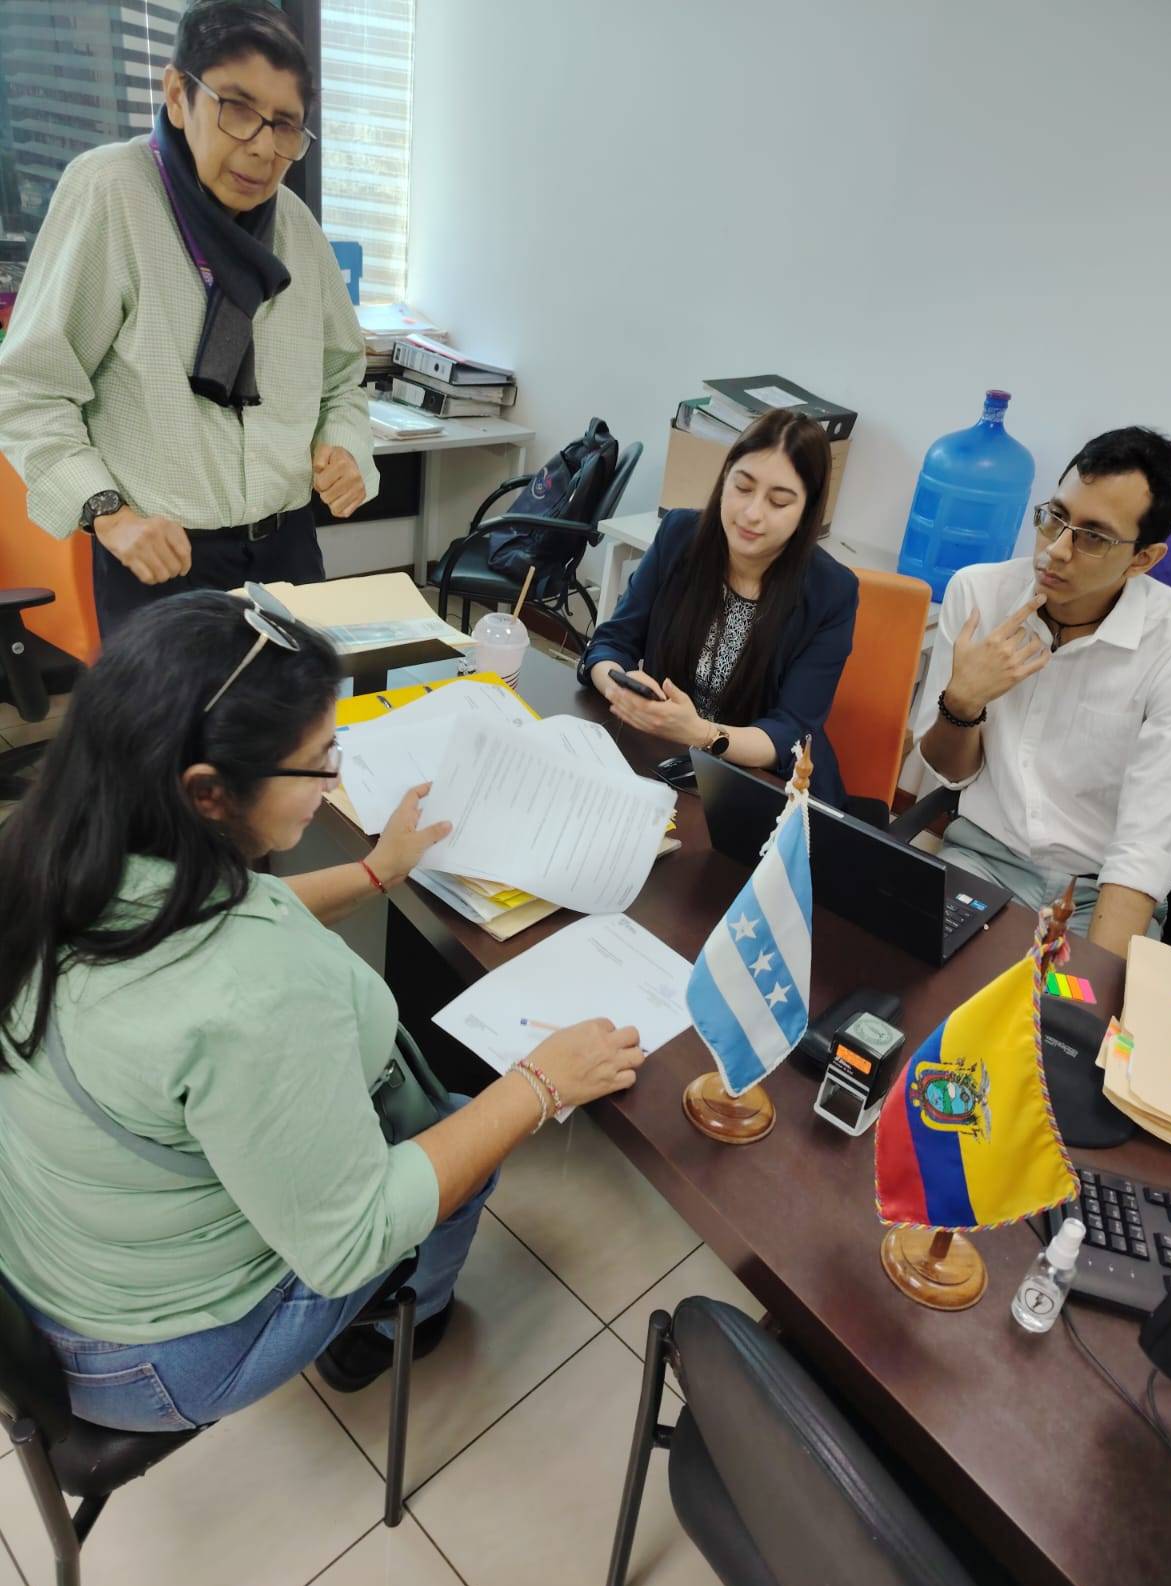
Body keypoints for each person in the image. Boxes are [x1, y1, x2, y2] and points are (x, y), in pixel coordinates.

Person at [0, 592, 644, 1429]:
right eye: (315, 762)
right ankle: (407, 1322)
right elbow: (351, 1238)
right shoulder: (251, 992)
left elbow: (209, 917)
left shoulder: (54, 851)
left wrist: (377, 873)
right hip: (156, 1354)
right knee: (465, 1132)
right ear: (208, 792)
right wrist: (538, 1085)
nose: (334, 778)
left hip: (59, 1262)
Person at [0, 1, 377, 638]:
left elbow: (342, 379)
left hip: (288, 550)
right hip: (165, 560)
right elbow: (29, 388)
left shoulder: (295, 225)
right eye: (238, 109)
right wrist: (108, 513)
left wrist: (343, 445)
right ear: (179, 95)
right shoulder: (113, 192)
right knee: (177, 711)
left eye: (285, 125)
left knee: (300, 704)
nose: (263, 148)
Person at [915, 425, 1171, 959]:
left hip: (1097, 895)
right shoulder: (979, 594)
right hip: (980, 860)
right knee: (902, 980)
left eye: (1093, 537)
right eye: (1055, 517)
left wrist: (1086, 987)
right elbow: (951, 773)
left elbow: (1146, 849)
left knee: (1068, 1010)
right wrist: (961, 704)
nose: (1056, 550)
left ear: (1143, 559)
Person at [579, 409, 859, 804]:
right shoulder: (679, 535)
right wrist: (619, 687)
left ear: (806, 511)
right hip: (663, 761)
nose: (752, 513)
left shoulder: (831, 592)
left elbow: (790, 732)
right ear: (724, 477)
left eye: (779, 502)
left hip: (762, 787)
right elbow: (611, 642)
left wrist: (701, 733)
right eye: (742, 487)